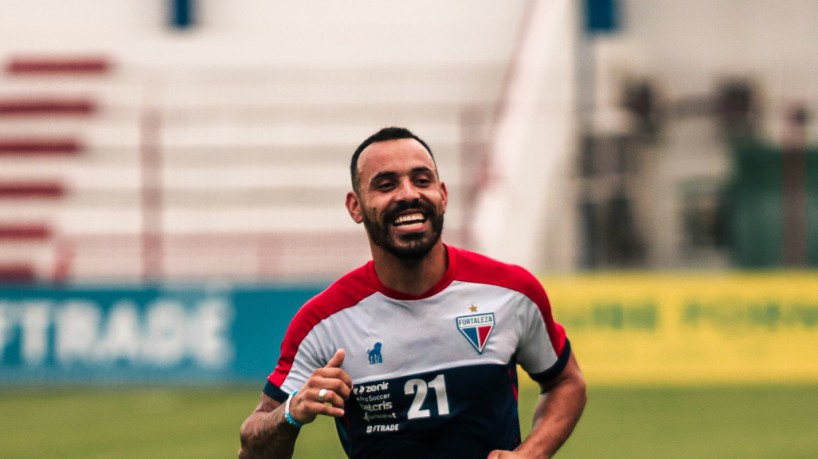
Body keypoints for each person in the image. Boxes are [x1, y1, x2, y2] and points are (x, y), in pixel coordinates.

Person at [239, 127, 586, 459]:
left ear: (443, 195)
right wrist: (290, 412)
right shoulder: (323, 322)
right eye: (386, 184)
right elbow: (252, 447)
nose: (408, 194)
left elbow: (566, 382)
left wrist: (533, 452)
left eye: (422, 180)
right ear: (355, 206)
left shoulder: (511, 292)